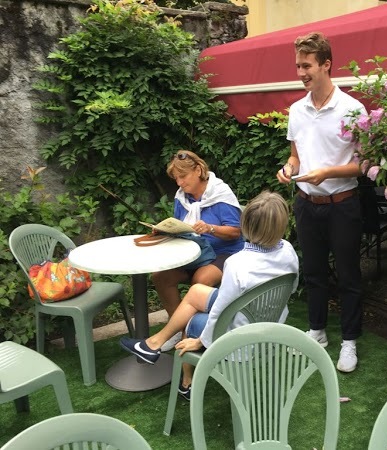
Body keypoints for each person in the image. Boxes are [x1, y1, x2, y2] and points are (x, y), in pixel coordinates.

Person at [121, 191, 299, 399]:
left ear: (247, 224)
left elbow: (221, 311)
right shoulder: (288, 250)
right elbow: (291, 287)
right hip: (269, 321)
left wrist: (203, 340)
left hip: (241, 333)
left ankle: (188, 383)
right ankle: (153, 344)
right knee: (196, 292)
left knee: (192, 319)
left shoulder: (238, 264)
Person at [276, 32, 366, 373]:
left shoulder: (352, 108)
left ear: (326, 64)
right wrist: (288, 169)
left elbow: (366, 163)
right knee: (313, 273)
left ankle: (349, 341)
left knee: (347, 276)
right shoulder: (297, 110)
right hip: (306, 203)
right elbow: (295, 156)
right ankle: (317, 332)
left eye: (307, 65)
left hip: (342, 204)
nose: (301, 72)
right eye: (298, 65)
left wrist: (328, 171)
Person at [152, 150, 245, 351]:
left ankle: (194, 334)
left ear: (198, 170)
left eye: (183, 177)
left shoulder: (221, 193)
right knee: (160, 276)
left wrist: (211, 228)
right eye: (176, 178)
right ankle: (178, 329)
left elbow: (236, 232)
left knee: (200, 281)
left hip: (225, 252)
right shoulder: (182, 197)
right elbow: (178, 226)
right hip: (193, 252)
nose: (179, 183)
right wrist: (163, 231)